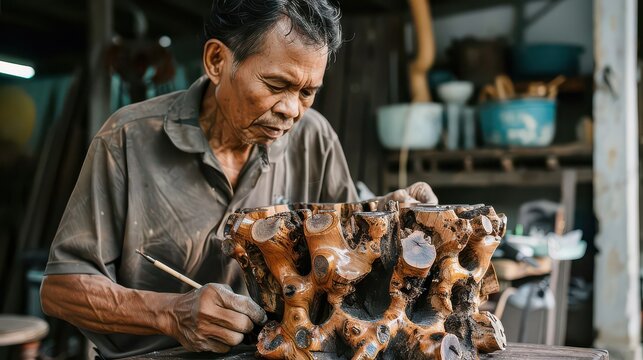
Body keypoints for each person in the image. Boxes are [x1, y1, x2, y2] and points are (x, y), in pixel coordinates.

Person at [40, 0, 438, 358]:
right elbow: (61, 290)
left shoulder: (313, 137)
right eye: (276, 85)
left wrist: (388, 215)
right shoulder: (127, 139)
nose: (291, 110)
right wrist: (171, 314)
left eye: (307, 92)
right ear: (217, 61)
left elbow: (347, 249)